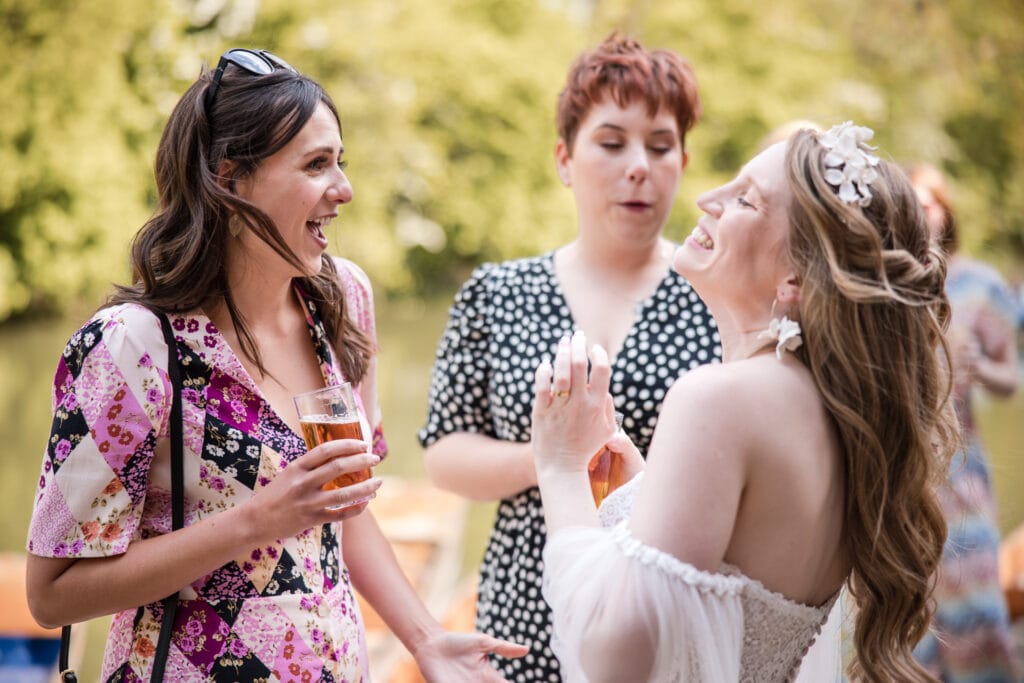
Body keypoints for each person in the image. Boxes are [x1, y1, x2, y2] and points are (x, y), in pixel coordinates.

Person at [24, 48, 526, 682]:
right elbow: (52, 593)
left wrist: (425, 638)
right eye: (317, 165)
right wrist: (259, 518)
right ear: (230, 180)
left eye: (341, 162)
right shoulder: (131, 348)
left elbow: (347, 506)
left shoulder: (344, 301)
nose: (344, 190)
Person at [530, 122, 960, 681]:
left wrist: (560, 467)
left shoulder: (719, 399)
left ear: (795, 279)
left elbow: (618, 656)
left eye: (743, 200)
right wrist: (635, 495)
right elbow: (736, 580)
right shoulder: (837, 412)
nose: (706, 200)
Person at [418, 34, 719, 680]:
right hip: (524, 608)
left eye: (661, 146)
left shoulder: (718, 298)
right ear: (564, 157)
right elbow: (443, 454)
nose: (638, 165)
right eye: (612, 142)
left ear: (684, 160)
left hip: (661, 613)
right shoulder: (498, 293)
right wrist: (554, 457)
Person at [907, 163, 1020, 681]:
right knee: (912, 610)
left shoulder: (979, 283)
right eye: (909, 203)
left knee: (977, 599)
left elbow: (1010, 377)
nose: (921, 213)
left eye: (928, 202)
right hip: (903, 467)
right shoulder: (888, 282)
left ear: (945, 211)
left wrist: (981, 365)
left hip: (963, 466)